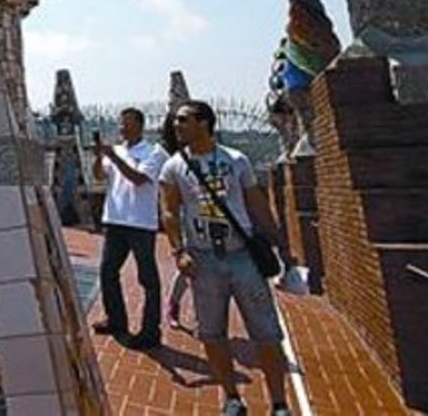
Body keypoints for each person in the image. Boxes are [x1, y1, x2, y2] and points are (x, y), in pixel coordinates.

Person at [160, 100, 292, 416]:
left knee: (266, 332)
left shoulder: (236, 160)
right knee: (212, 333)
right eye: (176, 121)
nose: (176, 126)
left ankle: (279, 402)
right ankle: (232, 397)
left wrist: (280, 244)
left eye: (183, 120)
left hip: (242, 255)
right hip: (204, 258)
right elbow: (169, 211)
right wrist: (179, 251)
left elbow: (257, 204)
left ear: (204, 123)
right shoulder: (174, 166)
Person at [91, 107, 169, 350]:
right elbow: (100, 176)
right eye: (120, 123)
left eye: (126, 123)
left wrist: (113, 157)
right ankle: (116, 319)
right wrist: (98, 156)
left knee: (147, 279)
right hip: (115, 220)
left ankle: (150, 331)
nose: (122, 128)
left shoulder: (154, 153)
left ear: (140, 125)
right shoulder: (117, 150)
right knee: (107, 272)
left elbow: (138, 179)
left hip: (140, 224)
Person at [160, 113, 191, 330]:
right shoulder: (171, 162)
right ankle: (173, 304)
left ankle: (207, 319)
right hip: (185, 220)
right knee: (188, 268)